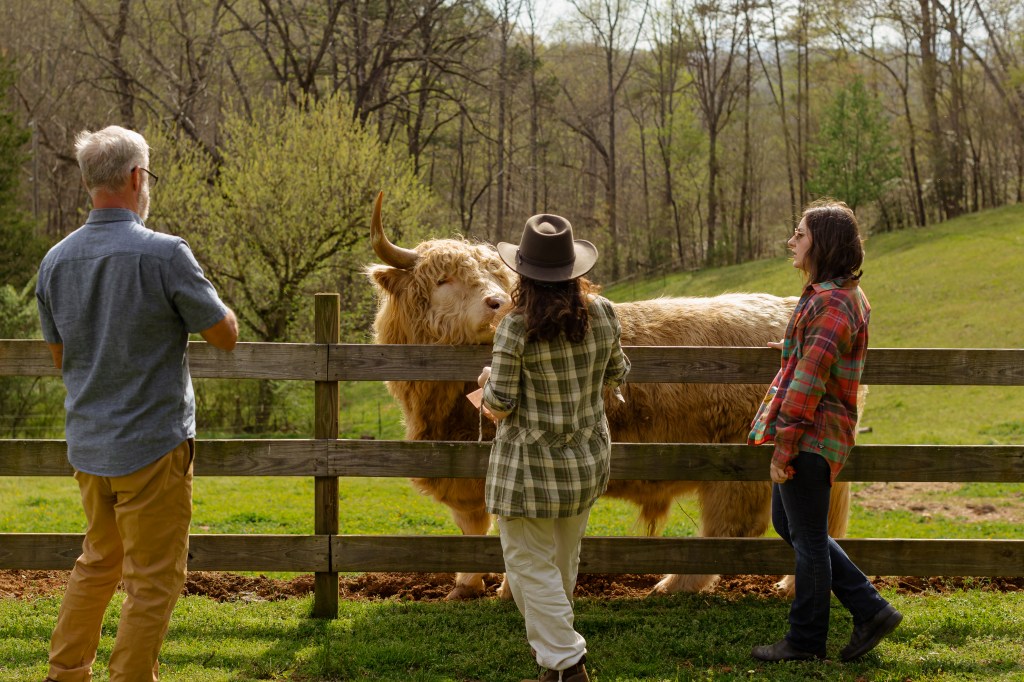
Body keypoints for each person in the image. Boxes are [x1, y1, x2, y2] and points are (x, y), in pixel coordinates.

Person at [36, 125, 238, 681]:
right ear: (135, 178)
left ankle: (66, 672)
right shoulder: (165, 253)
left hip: (89, 443)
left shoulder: (55, 261)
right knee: (154, 579)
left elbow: (61, 358)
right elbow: (224, 335)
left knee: (99, 562)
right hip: (153, 444)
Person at [476, 214, 630, 682]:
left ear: (522, 273)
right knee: (563, 558)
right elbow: (617, 373)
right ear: (573, 270)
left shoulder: (515, 329)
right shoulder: (603, 313)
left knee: (526, 564)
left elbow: (500, 404)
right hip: (585, 458)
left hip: (529, 467)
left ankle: (566, 663)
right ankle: (555, 662)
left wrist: (485, 384)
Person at [748, 200, 902, 663]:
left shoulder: (833, 303)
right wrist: (793, 343)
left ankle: (806, 639)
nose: (791, 242)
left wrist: (784, 450)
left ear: (823, 243)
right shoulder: (831, 295)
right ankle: (871, 609)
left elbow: (809, 382)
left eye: (800, 234)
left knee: (809, 539)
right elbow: (816, 353)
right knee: (790, 525)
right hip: (816, 434)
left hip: (812, 436)